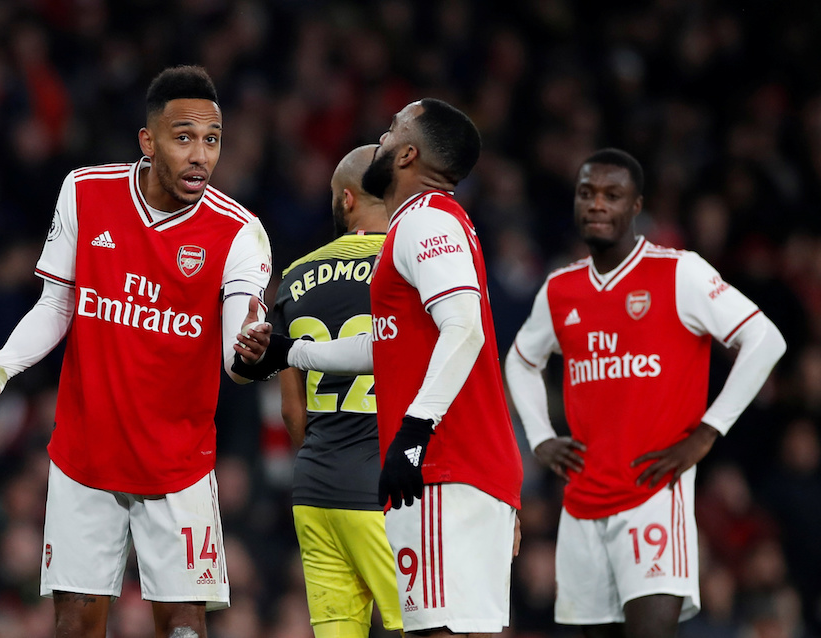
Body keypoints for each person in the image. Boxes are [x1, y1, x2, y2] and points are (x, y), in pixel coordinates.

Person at [0, 65, 273, 638]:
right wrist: (1, 365)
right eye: (184, 137)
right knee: (75, 624)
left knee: (185, 627)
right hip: (85, 454)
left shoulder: (239, 233)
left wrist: (249, 351)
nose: (200, 155)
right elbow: (57, 305)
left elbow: (234, 352)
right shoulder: (86, 191)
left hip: (178, 464)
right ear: (148, 141)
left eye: (212, 140)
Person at [235, 99, 524, 637]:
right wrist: (290, 352)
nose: (383, 134)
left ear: (408, 153)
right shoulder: (433, 224)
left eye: (392, 128)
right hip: (462, 467)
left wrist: (414, 432)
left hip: (441, 467)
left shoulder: (422, 220)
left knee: (435, 632)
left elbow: (465, 328)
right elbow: (385, 346)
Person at [504, 148, 787, 638]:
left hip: (653, 492)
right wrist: (539, 436)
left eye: (612, 195)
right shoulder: (560, 288)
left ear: (637, 206)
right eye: (587, 193)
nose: (597, 204)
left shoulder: (680, 273)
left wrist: (706, 433)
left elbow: (765, 339)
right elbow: (521, 359)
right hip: (581, 500)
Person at [273, 144, 402, 638]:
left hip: (314, 489)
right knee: (429, 626)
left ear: (346, 200)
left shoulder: (294, 277)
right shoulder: (411, 268)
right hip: (388, 493)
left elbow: (291, 410)